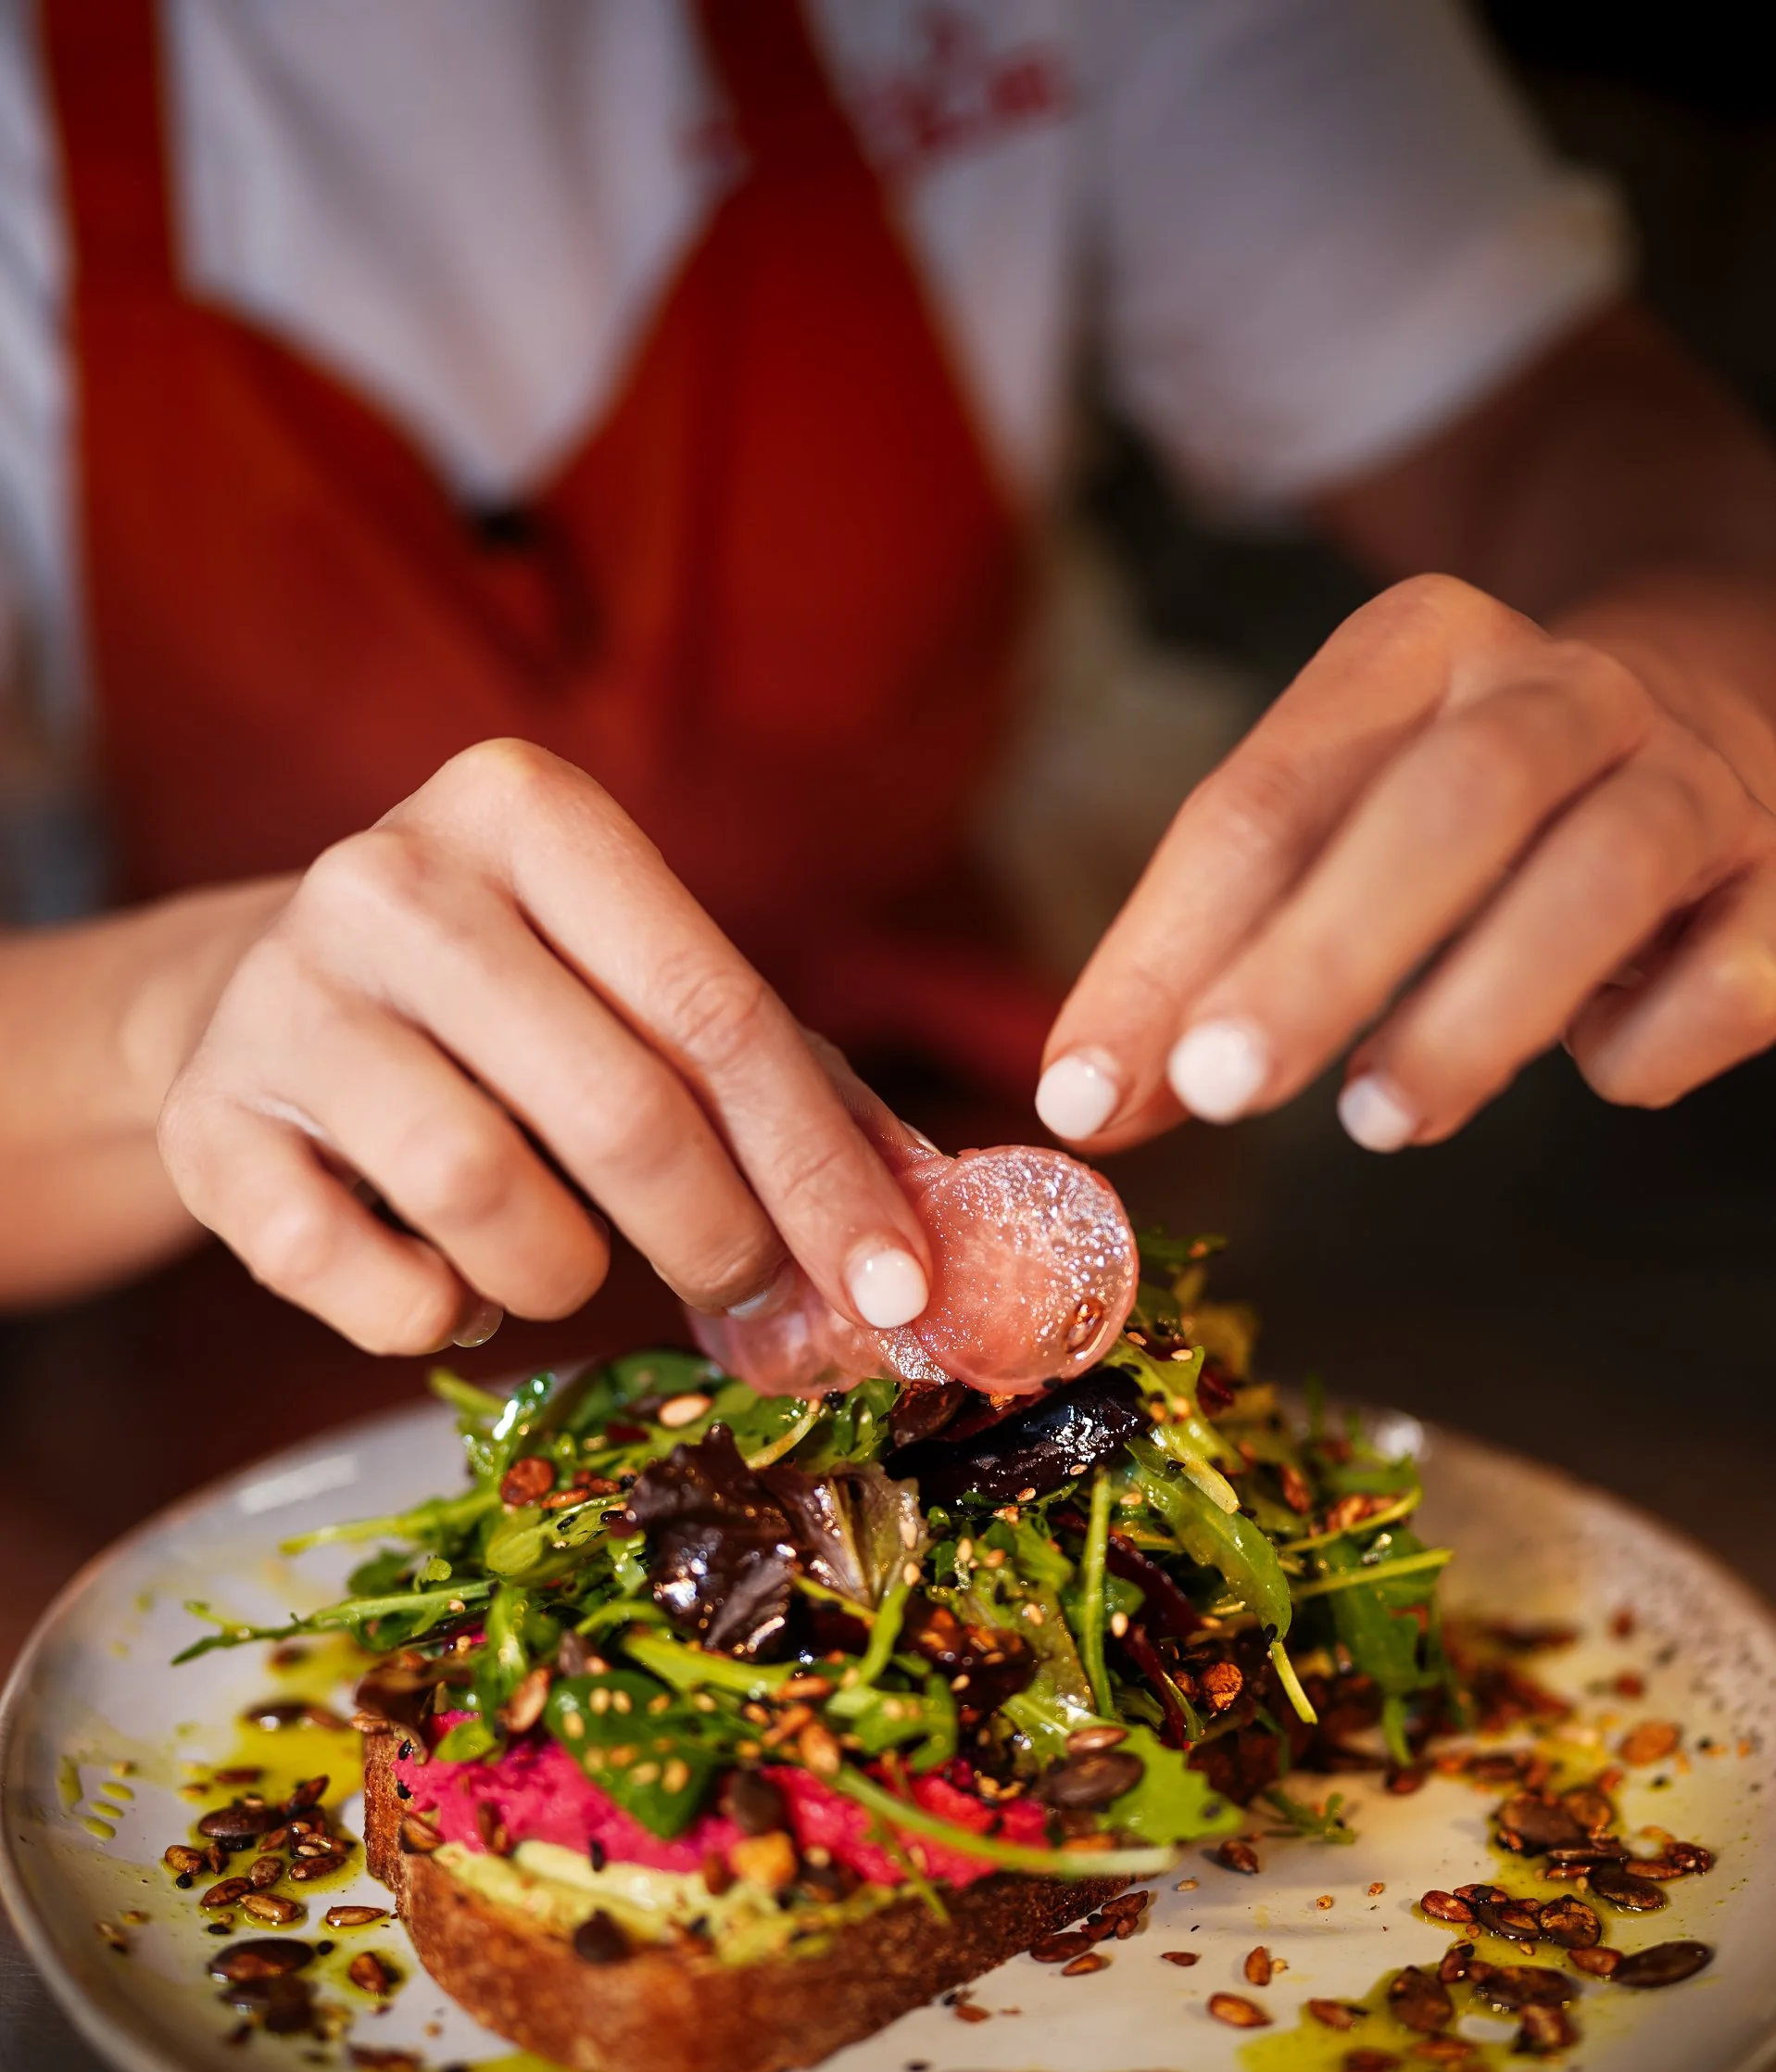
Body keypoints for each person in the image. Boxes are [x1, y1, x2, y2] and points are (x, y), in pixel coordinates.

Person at [2, 0, 1773, 1365]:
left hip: (1017, 1148)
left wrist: (1706, 656)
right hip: (177, 1354)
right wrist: (175, 1023)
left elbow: (1560, 422)